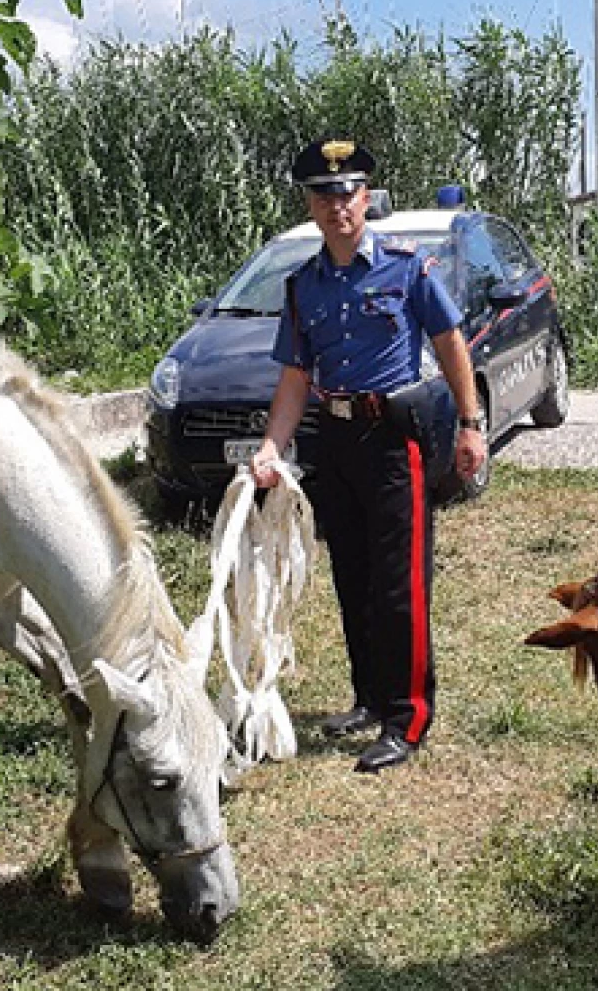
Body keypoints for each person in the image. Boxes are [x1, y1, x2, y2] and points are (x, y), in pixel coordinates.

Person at [249, 137, 487, 774]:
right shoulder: (303, 288)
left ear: (367, 198)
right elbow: (296, 379)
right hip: (334, 439)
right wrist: (273, 446)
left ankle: (408, 717)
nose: (337, 207)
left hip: (392, 441)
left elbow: (451, 343)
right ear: (310, 205)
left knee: (399, 583)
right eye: (323, 196)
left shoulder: (409, 268)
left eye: (347, 193)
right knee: (352, 576)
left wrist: (470, 425)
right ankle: (369, 698)